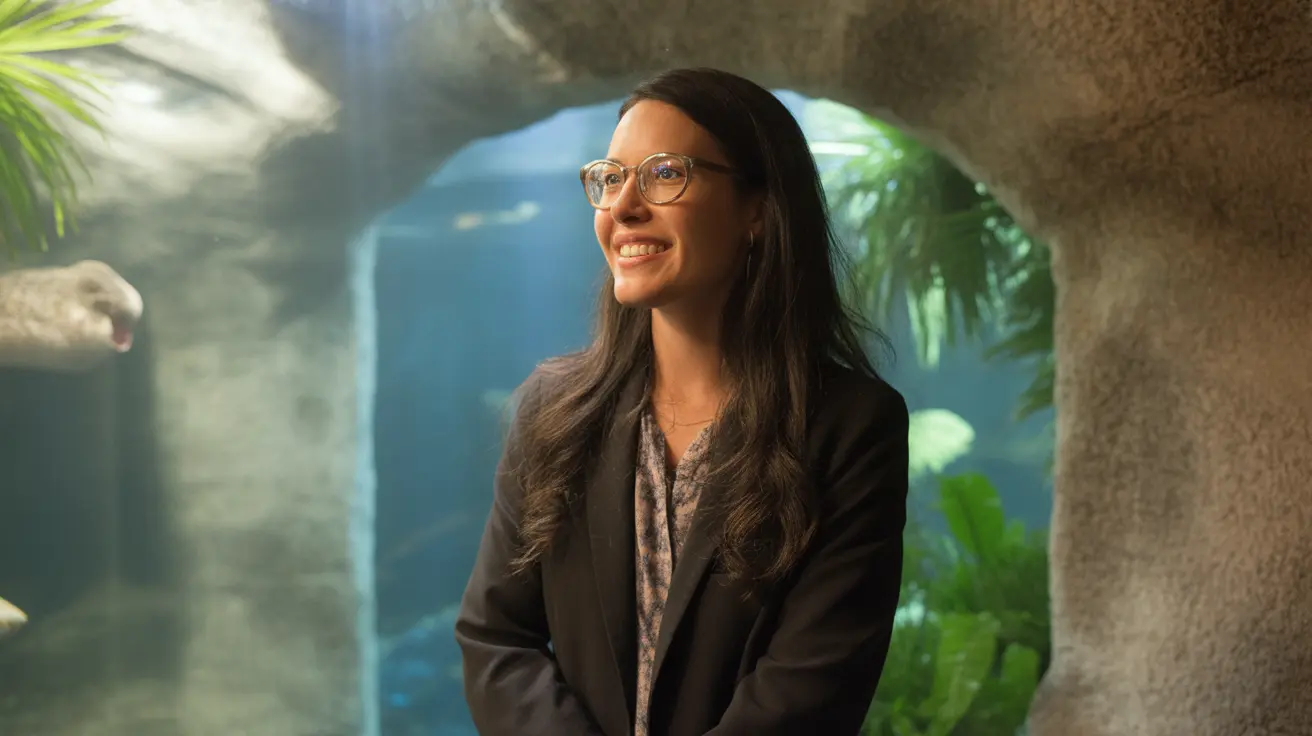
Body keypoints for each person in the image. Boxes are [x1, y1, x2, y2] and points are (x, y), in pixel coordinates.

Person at [455, 67, 909, 736]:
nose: (623, 206)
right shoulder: (550, 412)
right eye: (610, 178)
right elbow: (497, 640)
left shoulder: (849, 428)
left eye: (665, 173)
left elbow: (812, 685)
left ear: (758, 209)